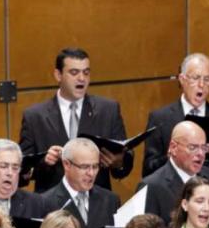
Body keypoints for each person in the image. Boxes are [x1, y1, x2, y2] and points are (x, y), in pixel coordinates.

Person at [19, 47, 131, 192]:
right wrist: (44, 162)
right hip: (52, 208)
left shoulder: (108, 110)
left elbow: (124, 163)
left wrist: (118, 162)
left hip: (95, 204)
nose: (82, 78)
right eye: (74, 72)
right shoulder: (34, 116)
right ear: (58, 75)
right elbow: (22, 170)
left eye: (86, 72)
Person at [143, 53, 209, 177]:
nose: (201, 85)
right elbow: (148, 170)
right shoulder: (160, 118)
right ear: (182, 80)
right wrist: (173, 157)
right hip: (175, 193)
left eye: (207, 79)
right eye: (195, 78)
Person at [36, 137, 121, 228]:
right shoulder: (45, 202)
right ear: (66, 164)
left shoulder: (110, 200)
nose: (91, 173)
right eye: (84, 167)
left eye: (95, 166)